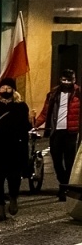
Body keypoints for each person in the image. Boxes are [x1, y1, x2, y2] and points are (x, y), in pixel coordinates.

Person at [0, 81, 32, 220]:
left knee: (14, 177)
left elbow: (25, 127)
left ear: (13, 90)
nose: (6, 90)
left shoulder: (20, 106)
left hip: (15, 148)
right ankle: (0, 208)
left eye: (8, 88)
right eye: (3, 87)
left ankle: (13, 197)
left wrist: (30, 122)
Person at [36, 68, 81, 200]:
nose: (66, 82)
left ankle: (65, 187)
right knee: (56, 160)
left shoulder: (78, 93)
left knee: (69, 160)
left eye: (69, 80)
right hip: (56, 131)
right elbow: (45, 112)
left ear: (74, 80)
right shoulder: (53, 94)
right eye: (64, 80)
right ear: (60, 79)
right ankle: (63, 183)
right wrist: (35, 124)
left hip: (72, 131)